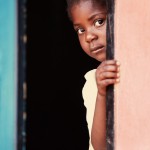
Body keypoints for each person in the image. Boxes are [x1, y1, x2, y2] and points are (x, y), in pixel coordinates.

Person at [66, 0, 120, 149]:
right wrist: (102, 93)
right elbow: (100, 146)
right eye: (80, 30)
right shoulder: (92, 82)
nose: (89, 37)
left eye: (99, 22)